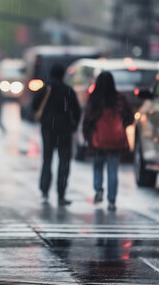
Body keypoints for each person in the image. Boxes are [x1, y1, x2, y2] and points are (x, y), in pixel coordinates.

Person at [82, 71, 133, 211]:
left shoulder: (95, 99)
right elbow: (130, 117)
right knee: (113, 170)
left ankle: (98, 188)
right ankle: (112, 200)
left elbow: (87, 120)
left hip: (98, 141)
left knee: (98, 166)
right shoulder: (119, 99)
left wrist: (87, 136)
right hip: (115, 142)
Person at [31, 64, 81, 206]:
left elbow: (34, 106)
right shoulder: (68, 91)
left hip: (48, 129)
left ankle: (45, 189)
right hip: (64, 131)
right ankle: (61, 194)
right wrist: (73, 126)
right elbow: (76, 112)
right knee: (64, 163)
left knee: (47, 160)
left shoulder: (45, 89)